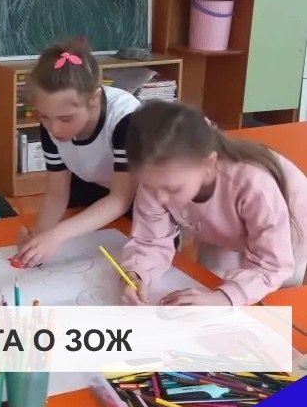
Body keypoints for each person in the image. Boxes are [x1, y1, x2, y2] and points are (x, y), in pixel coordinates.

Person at [121, 101, 307, 306]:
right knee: (207, 285)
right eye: (150, 187)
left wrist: (222, 298)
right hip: (222, 229)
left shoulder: (253, 183)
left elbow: (273, 265)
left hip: (288, 236)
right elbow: (150, 241)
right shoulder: (160, 178)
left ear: (208, 164)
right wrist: (136, 274)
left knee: (271, 306)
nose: (160, 198)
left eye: (173, 189)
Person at [16, 39, 139, 267]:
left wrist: (56, 235)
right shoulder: (53, 120)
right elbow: (57, 194)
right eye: (44, 116)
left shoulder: (126, 120)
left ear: (94, 100)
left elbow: (121, 199)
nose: (54, 129)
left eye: (66, 119)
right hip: (91, 185)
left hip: (139, 199)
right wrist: (39, 236)